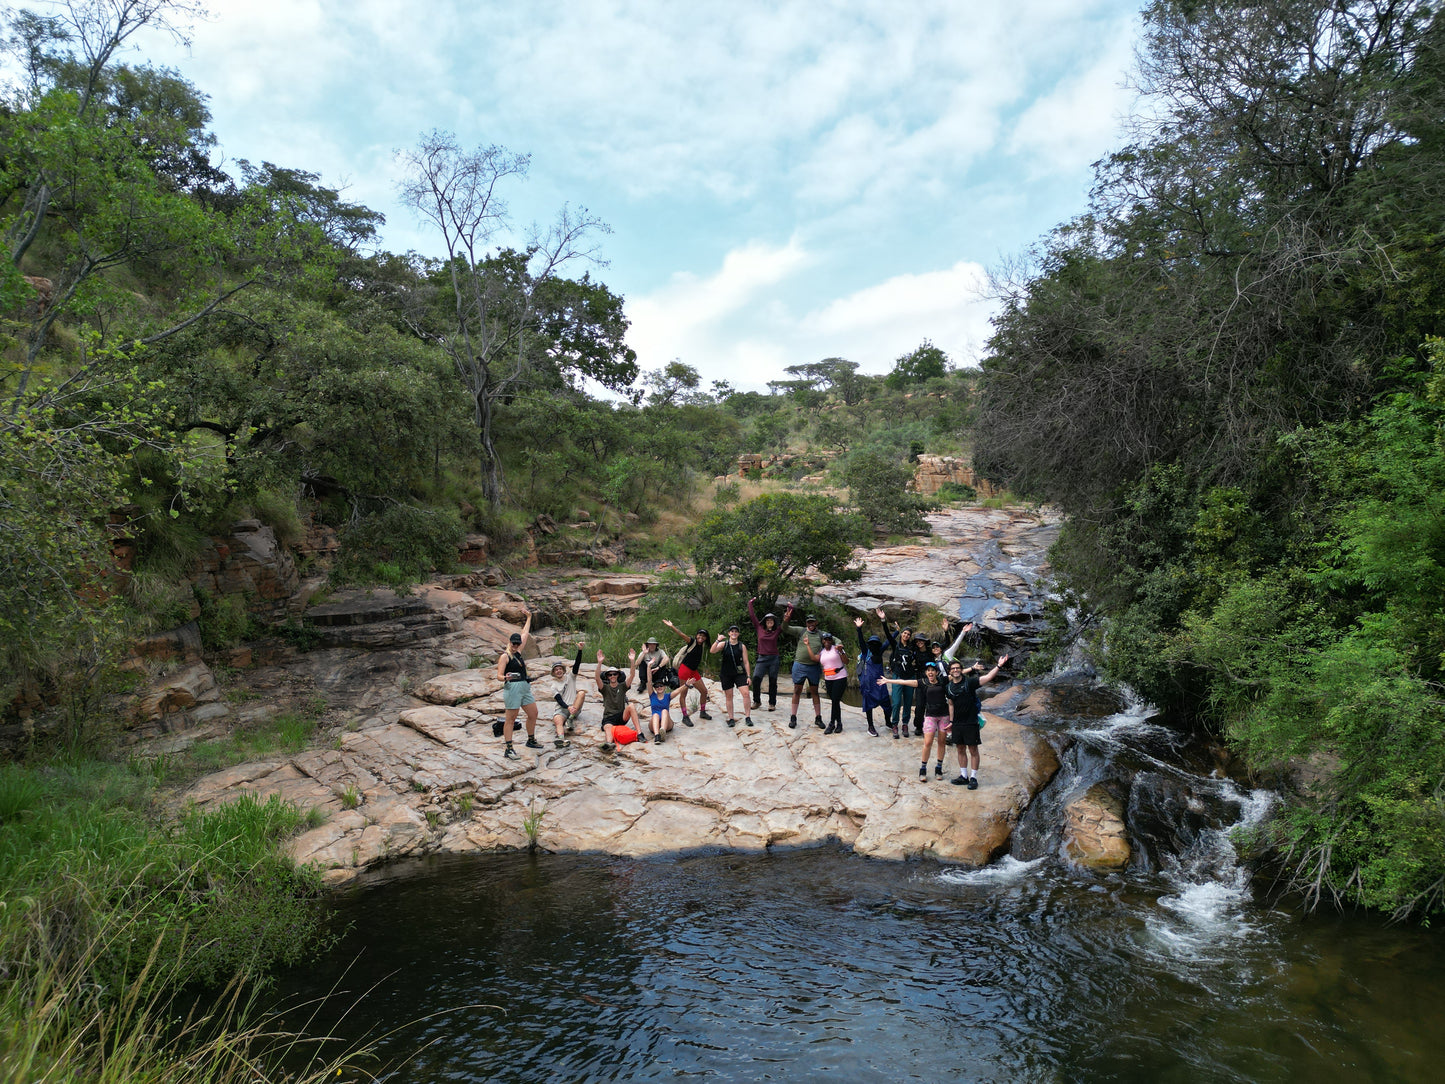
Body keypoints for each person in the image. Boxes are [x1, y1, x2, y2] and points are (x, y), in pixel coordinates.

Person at [877, 664, 951, 781]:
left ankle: (938, 768)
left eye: (933, 670)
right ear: (926, 673)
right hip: (931, 716)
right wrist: (888, 680)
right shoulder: (922, 682)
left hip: (944, 716)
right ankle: (923, 768)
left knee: (942, 742)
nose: (930, 673)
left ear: (937, 672)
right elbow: (904, 682)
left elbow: (957, 674)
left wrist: (972, 669)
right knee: (928, 742)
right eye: (928, 671)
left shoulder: (943, 680)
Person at [946, 654, 1010, 788]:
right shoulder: (949, 687)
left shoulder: (969, 682)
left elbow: (988, 677)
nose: (956, 670)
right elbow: (951, 704)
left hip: (971, 722)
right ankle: (964, 776)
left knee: (973, 749)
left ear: (961, 670)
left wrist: (998, 665)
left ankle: (973, 778)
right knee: (960, 749)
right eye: (953, 668)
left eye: (958, 668)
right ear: (950, 671)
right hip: (958, 723)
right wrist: (951, 721)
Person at [495, 609, 538, 760]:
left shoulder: (518, 652)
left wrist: (529, 617)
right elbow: (499, 676)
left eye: (517, 643)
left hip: (524, 687)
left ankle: (531, 740)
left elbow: (525, 634)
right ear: (509, 643)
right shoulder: (505, 656)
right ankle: (509, 748)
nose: (516, 645)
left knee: (533, 713)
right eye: (514, 643)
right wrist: (506, 677)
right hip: (512, 688)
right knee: (511, 719)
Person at [661, 619, 713, 724]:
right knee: (683, 694)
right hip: (685, 670)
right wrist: (672, 626)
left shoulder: (702, 646)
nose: (701, 637)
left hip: (693, 671)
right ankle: (685, 716)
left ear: (705, 638)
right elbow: (681, 634)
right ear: (696, 635)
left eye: (703, 636)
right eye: (699, 635)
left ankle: (702, 712)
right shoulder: (692, 641)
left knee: (704, 691)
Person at [783, 604, 824, 730]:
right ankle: (793, 717)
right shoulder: (801, 631)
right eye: (808, 622)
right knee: (797, 690)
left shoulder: (821, 634)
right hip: (800, 665)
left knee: (815, 692)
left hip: (813, 667)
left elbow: (834, 639)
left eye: (812, 622)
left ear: (816, 622)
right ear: (806, 623)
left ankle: (818, 718)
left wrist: (839, 645)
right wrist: (786, 618)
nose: (810, 624)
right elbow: (785, 628)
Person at [595, 649, 643, 751]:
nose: (612, 676)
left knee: (631, 706)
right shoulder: (605, 688)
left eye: (614, 674)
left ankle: (640, 733)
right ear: (607, 677)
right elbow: (597, 678)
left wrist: (632, 661)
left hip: (621, 716)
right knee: (608, 727)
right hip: (609, 718)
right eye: (610, 674)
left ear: (618, 675)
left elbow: (632, 675)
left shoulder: (622, 686)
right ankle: (609, 744)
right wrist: (599, 663)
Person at [854, 611, 891, 736]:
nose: (874, 646)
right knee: (869, 706)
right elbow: (860, 641)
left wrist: (898, 630)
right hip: (869, 684)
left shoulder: (880, 652)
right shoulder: (866, 653)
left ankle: (888, 722)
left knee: (887, 704)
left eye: (876, 644)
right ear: (869, 645)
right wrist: (859, 629)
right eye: (872, 644)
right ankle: (870, 726)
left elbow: (889, 640)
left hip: (880, 683)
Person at [710, 625, 754, 727]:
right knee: (729, 696)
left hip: (739, 674)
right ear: (729, 633)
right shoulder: (723, 644)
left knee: (746, 694)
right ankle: (731, 718)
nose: (734, 633)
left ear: (738, 634)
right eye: (732, 631)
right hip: (726, 674)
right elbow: (712, 651)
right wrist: (717, 640)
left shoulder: (741, 646)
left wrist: (748, 676)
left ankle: (748, 717)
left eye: (736, 631)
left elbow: (746, 662)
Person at [547, 643, 587, 749]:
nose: (558, 671)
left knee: (582, 693)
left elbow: (577, 665)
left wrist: (580, 650)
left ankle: (571, 719)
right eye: (556, 670)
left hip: (574, 707)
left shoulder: (570, 677)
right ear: (554, 673)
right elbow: (559, 700)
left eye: (560, 669)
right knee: (557, 720)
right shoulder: (553, 686)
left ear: (563, 670)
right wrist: (567, 707)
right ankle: (561, 740)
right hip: (562, 709)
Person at [747, 597, 783, 711]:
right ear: (765, 622)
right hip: (762, 658)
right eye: (768, 621)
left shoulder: (777, 631)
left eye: (771, 621)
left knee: (773, 681)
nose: (769, 622)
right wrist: (750, 604)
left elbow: (786, 622)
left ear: (774, 623)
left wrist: (790, 610)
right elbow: (753, 617)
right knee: (756, 678)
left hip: (773, 659)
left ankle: (772, 703)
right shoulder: (759, 629)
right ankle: (757, 701)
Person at [885, 622, 918, 740]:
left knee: (908, 702)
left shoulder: (912, 647)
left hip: (910, 677)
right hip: (898, 676)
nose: (906, 635)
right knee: (897, 702)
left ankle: (905, 724)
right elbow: (888, 636)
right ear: (901, 634)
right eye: (904, 633)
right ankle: (894, 724)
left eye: (908, 634)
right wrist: (884, 621)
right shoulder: (896, 645)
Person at [818, 630, 849, 734]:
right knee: (834, 702)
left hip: (840, 677)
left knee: (835, 700)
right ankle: (839, 723)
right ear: (822, 641)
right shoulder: (821, 652)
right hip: (828, 679)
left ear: (832, 641)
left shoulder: (836, 649)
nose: (827, 641)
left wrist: (841, 651)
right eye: (825, 639)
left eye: (829, 639)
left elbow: (846, 661)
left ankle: (831, 724)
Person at [644, 656, 675, 744]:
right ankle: (657, 736)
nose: (659, 687)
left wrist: (686, 685)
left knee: (665, 711)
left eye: (661, 686)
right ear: (655, 688)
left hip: (666, 723)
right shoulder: (652, 695)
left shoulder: (668, 696)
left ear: (664, 687)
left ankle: (663, 732)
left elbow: (678, 691)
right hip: (655, 723)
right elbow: (649, 681)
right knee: (655, 715)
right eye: (657, 686)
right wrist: (649, 667)